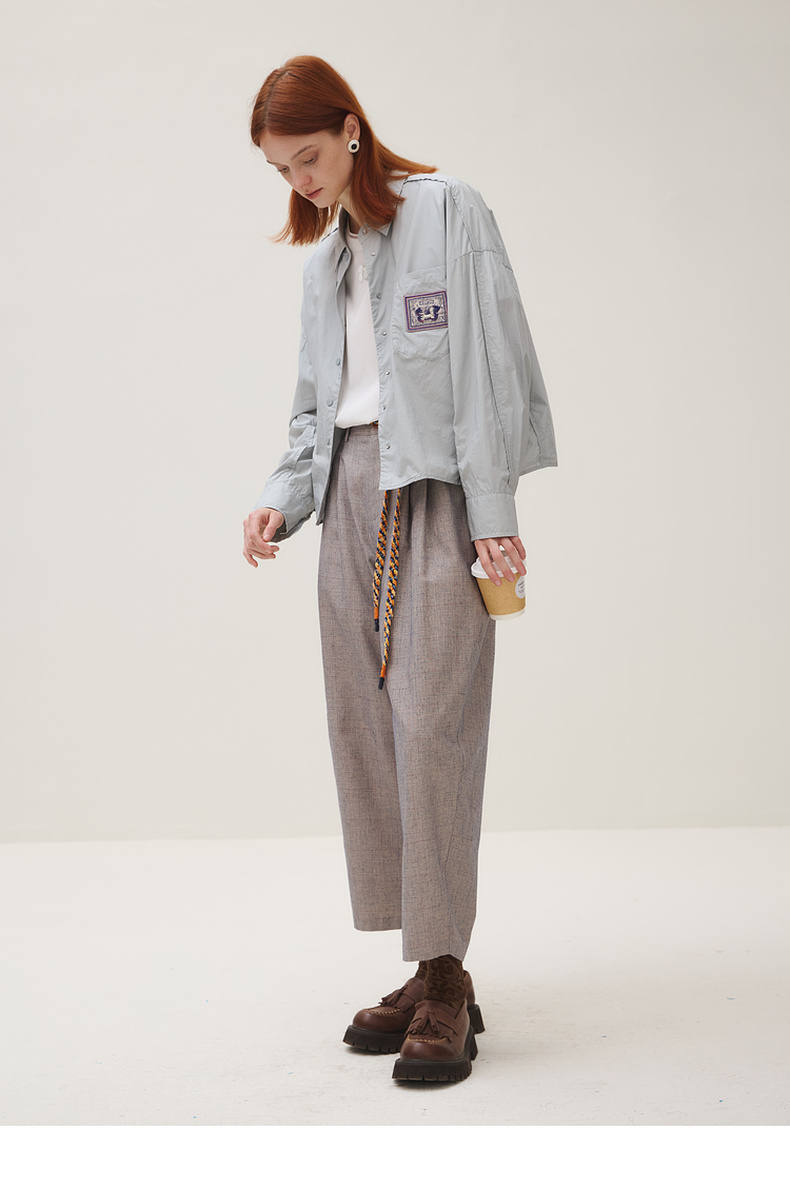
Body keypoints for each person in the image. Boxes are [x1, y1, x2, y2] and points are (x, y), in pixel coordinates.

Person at [242, 56, 557, 1084]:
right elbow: (312, 406)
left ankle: (450, 977)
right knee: (366, 729)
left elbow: (488, 367)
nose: (301, 181)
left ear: (351, 128)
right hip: (348, 495)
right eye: (282, 171)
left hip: (436, 488)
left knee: (432, 725)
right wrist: (282, 499)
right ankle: (422, 965)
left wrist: (493, 513)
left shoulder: (447, 210)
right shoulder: (324, 263)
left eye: (308, 156)